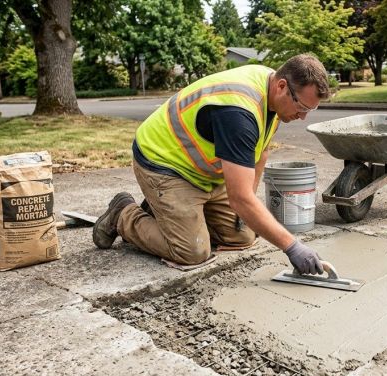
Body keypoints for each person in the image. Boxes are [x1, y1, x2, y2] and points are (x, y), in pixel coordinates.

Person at [92, 54, 328, 275]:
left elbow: (261, 151)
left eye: (310, 109)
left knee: (243, 236)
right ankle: (124, 213)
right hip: (166, 163)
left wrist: (249, 201)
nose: (303, 116)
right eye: (302, 107)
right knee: (192, 252)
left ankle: (165, 212)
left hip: (204, 173)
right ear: (282, 86)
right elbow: (239, 199)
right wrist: (292, 247)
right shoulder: (239, 113)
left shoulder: (272, 88)